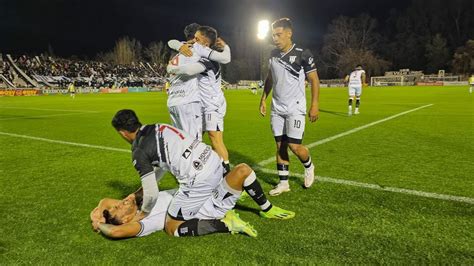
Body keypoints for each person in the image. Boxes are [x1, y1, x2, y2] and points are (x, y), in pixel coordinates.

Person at [111, 109, 295, 237]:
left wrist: (142, 215)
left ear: (122, 133)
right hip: (215, 162)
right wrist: (138, 193)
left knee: (171, 226)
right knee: (243, 169)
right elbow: (160, 167)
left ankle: (224, 223)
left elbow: (152, 194)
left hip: (199, 179)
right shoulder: (158, 127)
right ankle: (267, 209)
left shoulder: (139, 150)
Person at [259, 18, 319, 196]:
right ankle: (283, 183)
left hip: (295, 108)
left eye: (278, 35)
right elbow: (270, 77)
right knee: (280, 146)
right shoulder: (272, 54)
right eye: (273, 35)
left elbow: (314, 80)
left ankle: (309, 166)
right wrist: (263, 98)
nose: (275, 39)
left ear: (289, 33)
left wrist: (315, 104)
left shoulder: (302, 53)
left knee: (295, 146)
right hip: (277, 108)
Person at [167, 26, 232, 174]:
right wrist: (179, 45)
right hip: (200, 105)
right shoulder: (193, 50)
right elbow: (171, 41)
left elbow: (189, 70)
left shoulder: (208, 59)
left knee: (215, 138)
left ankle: (227, 177)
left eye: (197, 38)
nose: (194, 41)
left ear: (204, 42)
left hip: (212, 105)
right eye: (193, 37)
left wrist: (171, 69)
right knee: (195, 140)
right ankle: (208, 171)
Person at [90, 189, 256, 238]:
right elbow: (115, 231)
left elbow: (105, 200)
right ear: (126, 219)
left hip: (191, 191)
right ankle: (227, 222)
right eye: (118, 208)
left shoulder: (134, 206)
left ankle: (233, 195)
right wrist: (101, 224)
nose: (118, 204)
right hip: (195, 205)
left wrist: (96, 215)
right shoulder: (143, 223)